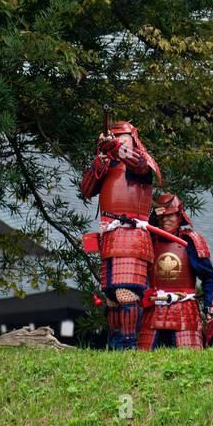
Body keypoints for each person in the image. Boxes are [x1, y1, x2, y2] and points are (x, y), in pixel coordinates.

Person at [79, 119, 161, 349]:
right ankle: (115, 341)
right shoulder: (107, 166)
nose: (116, 141)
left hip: (132, 236)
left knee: (126, 293)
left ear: (132, 139)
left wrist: (115, 146)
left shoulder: (142, 163)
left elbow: (138, 164)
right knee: (112, 298)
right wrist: (99, 161)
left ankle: (128, 342)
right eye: (112, 137)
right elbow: (86, 189)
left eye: (121, 138)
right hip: (110, 237)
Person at [137, 192, 213, 349]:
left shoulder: (190, 241)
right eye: (162, 216)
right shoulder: (149, 240)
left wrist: (210, 307)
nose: (165, 219)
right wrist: (150, 218)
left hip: (185, 311)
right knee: (144, 361)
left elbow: (211, 278)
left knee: (188, 363)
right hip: (154, 310)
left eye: (171, 215)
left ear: (180, 216)